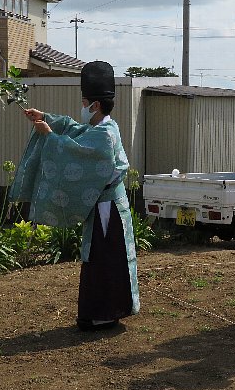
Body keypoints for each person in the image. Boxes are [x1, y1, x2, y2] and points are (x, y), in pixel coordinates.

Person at [8, 61, 140, 331]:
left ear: (96, 105)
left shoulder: (105, 134)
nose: (82, 107)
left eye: (85, 101)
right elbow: (72, 129)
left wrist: (50, 137)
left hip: (109, 210)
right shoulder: (100, 128)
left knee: (106, 259)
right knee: (97, 257)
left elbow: (77, 150)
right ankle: (97, 311)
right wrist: (44, 117)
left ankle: (106, 312)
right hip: (104, 208)